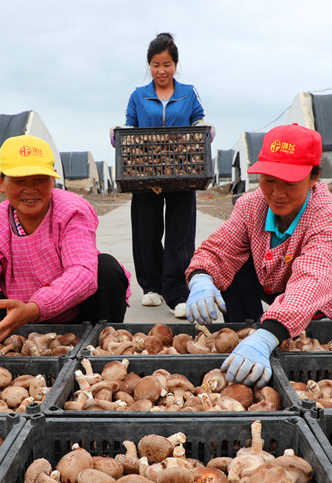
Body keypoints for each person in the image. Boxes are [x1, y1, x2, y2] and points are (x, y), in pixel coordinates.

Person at [184, 123, 332, 387]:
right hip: (278, 283)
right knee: (233, 264)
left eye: (290, 183)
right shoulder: (252, 205)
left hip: (331, 298)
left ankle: (264, 337)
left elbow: (313, 279)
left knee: (300, 345)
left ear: (314, 177)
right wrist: (201, 278)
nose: (277, 193)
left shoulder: (327, 214)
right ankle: (244, 339)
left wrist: (269, 334)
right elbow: (221, 247)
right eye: (269, 180)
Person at [0, 135, 130, 354]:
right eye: (19, 181)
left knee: (106, 270)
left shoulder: (71, 210)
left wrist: (34, 308)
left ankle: (103, 347)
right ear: (1, 182)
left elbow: (82, 272)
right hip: (18, 319)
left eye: (39, 179)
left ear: (52, 180)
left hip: (76, 312)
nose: (30, 189)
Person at [118, 32, 213, 319]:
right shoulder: (138, 95)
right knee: (146, 231)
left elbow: (198, 120)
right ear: (149, 65)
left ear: (176, 65)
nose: (162, 71)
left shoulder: (188, 92)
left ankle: (177, 292)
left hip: (182, 170)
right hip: (145, 171)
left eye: (167, 64)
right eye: (156, 65)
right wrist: (117, 134)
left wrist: (206, 128)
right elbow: (130, 127)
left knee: (179, 234)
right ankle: (151, 286)